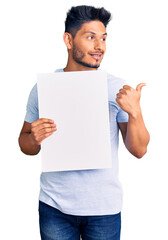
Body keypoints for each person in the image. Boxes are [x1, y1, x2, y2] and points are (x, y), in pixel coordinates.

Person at [18, 5, 150, 240]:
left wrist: (135, 113)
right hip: (54, 205)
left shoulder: (115, 88)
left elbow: (139, 150)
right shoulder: (43, 89)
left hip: (103, 209)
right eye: (90, 38)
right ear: (69, 40)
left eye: (103, 39)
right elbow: (25, 145)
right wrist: (34, 138)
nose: (100, 47)